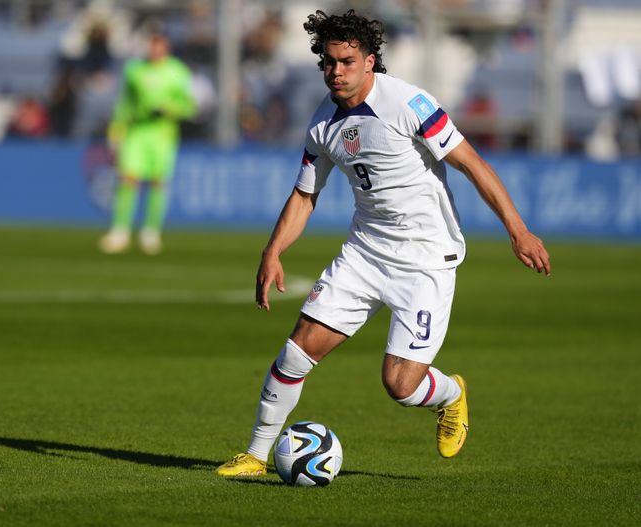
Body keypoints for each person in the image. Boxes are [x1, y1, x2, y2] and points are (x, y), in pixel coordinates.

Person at [217, 9, 551, 477]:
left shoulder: (409, 104)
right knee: (296, 351)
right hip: (365, 252)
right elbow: (304, 193)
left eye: (347, 61)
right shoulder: (322, 124)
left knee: (399, 384)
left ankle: (451, 394)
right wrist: (273, 252)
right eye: (329, 62)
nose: (336, 71)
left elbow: (472, 163)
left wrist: (517, 229)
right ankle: (254, 455)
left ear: (370, 61)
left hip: (425, 259)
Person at [98, 32, 196, 255]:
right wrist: (116, 127)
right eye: (152, 48)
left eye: (159, 48)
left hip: (163, 134)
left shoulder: (177, 71)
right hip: (137, 131)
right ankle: (120, 231)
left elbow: (189, 106)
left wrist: (170, 108)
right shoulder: (134, 70)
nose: (155, 52)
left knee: (158, 183)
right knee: (128, 179)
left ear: (166, 49)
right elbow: (125, 102)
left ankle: (150, 232)